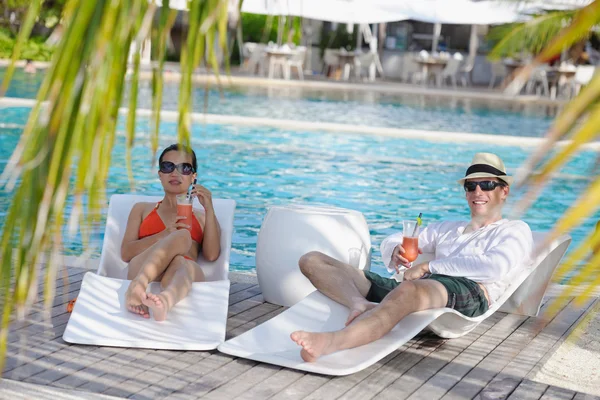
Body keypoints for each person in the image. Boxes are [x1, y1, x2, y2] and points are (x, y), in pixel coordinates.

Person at [291, 152, 533, 362]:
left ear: (504, 191)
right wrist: (394, 249)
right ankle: (358, 303)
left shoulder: (514, 230)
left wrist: (428, 265)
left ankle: (332, 342)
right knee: (313, 261)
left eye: (487, 185)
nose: (478, 191)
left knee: (408, 290)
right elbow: (395, 239)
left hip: (471, 292)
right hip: (423, 289)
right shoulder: (449, 228)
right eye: (471, 186)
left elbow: (495, 267)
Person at [121, 143, 221, 321]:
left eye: (184, 168)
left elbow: (212, 255)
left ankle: (165, 301)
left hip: (183, 272)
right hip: (141, 267)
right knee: (182, 235)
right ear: (160, 175)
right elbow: (126, 253)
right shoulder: (142, 209)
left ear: (193, 177)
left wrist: (210, 209)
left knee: (181, 261)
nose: (175, 173)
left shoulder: (203, 217)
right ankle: (139, 283)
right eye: (168, 167)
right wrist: (164, 235)